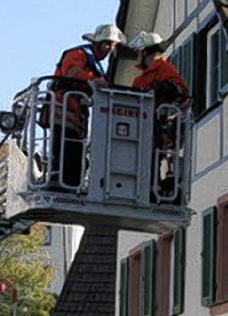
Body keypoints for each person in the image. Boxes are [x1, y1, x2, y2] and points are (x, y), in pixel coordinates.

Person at [46, 24, 126, 187]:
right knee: (63, 147)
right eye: (107, 44)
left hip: (77, 113)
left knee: (74, 150)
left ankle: (71, 182)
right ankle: (58, 179)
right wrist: (93, 81)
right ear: (97, 43)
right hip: (63, 106)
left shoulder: (95, 65)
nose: (109, 49)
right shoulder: (78, 54)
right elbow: (71, 73)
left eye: (113, 46)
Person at [128, 31, 190, 201]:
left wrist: (165, 89)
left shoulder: (165, 69)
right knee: (142, 159)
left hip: (158, 125)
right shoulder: (140, 80)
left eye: (139, 52)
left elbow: (182, 93)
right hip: (142, 127)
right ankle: (146, 187)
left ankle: (154, 189)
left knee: (153, 158)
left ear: (145, 51)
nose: (137, 56)